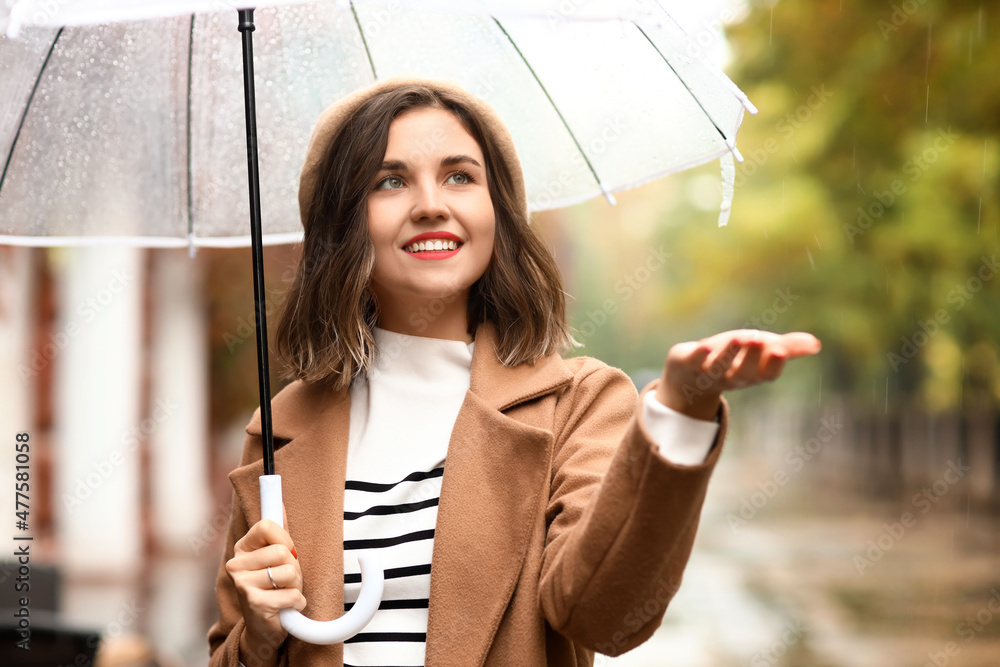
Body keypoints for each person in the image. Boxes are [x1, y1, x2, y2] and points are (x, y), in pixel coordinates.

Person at [207, 76, 821, 667]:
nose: (431, 205)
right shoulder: (281, 426)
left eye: (459, 176)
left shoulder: (578, 403)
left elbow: (609, 616)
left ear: (495, 209)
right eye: (390, 181)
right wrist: (258, 635)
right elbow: (229, 652)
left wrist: (681, 416)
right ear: (344, 222)